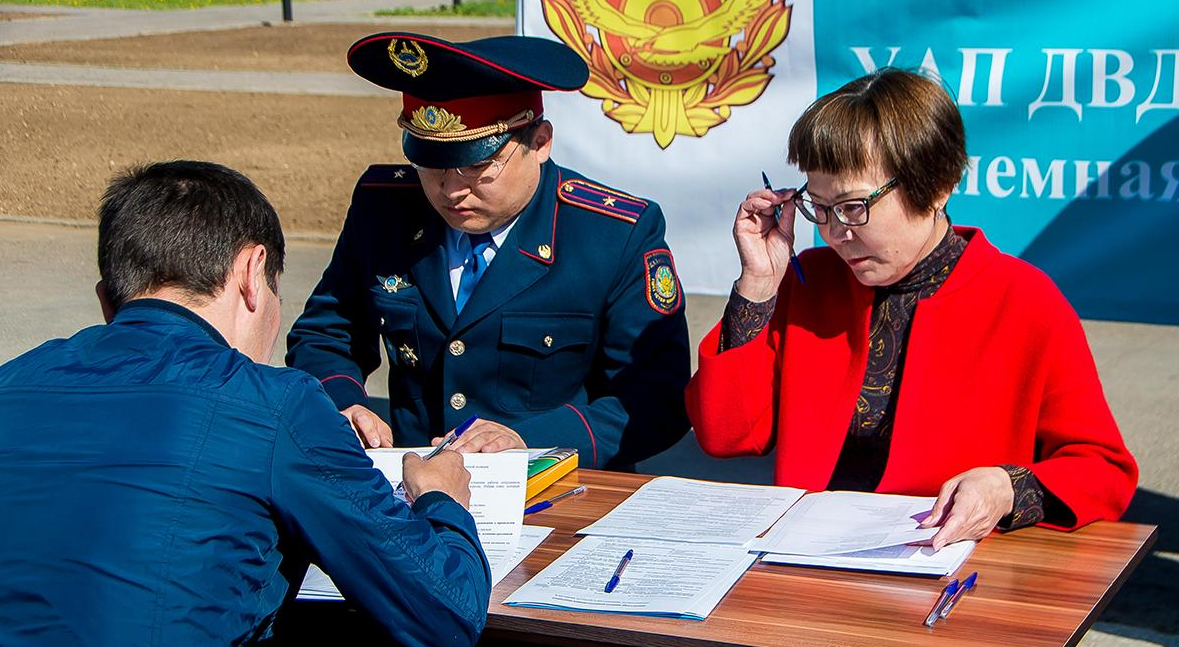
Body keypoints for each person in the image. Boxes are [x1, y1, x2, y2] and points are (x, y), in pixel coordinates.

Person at [0, 161, 490, 646]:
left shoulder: (12, 382)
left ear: (108, 301)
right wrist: (441, 499)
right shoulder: (274, 404)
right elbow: (446, 613)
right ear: (253, 274)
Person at [685, 68, 1137, 548]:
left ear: (937, 186)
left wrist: (1006, 488)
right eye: (818, 206)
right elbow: (725, 436)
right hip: (805, 566)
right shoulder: (808, 280)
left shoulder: (1022, 300)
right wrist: (757, 284)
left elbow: (1102, 469)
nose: (835, 232)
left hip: (953, 571)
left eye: (854, 206)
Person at [286, 33, 691, 470]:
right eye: (432, 166)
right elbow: (326, 333)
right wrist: (342, 402)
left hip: (561, 492)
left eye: (477, 166)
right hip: (416, 492)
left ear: (540, 143)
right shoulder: (385, 209)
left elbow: (658, 398)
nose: (452, 190)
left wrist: (530, 441)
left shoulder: (612, 235)